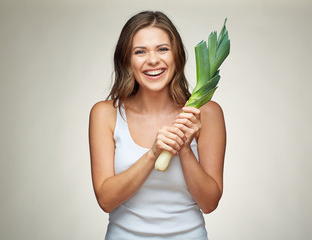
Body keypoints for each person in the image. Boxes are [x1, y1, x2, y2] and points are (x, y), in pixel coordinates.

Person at [89, 11, 226, 239]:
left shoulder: (206, 113)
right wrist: (152, 154)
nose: (153, 60)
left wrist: (184, 149)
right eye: (140, 52)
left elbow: (209, 203)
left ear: (177, 56)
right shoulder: (105, 114)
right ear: (127, 61)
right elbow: (106, 200)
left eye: (162, 49)